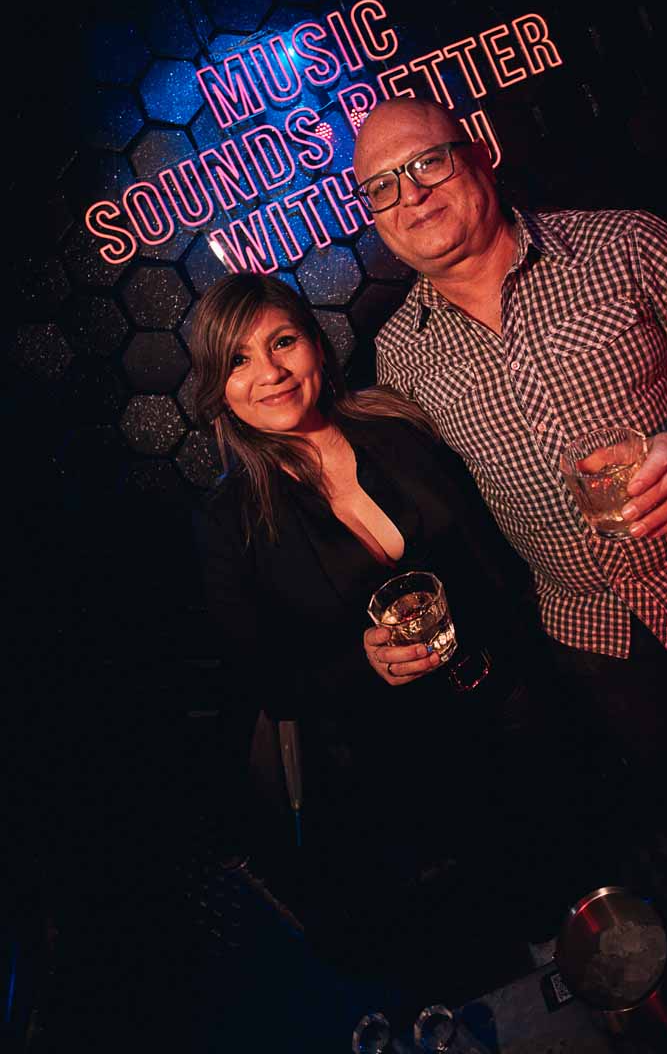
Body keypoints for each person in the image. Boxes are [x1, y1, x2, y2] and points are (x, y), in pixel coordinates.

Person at [355, 96, 667, 897]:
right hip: (585, 628)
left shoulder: (622, 244)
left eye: (427, 163)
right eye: (382, 186)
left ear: (477, 153)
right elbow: (421, 509)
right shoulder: (398, 359)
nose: (410, 194)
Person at [189, 271, 576, 968]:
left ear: (316, 343)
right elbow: (265, 680)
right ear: (219, 385)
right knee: (508, 924)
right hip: (408, 766)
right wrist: (359, 664)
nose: (270, 373)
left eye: (283, 342)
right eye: (239, 359)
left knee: (587, 862)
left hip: (520, 700)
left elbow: (497, 553)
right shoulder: (228, 522)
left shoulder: (397, 425)